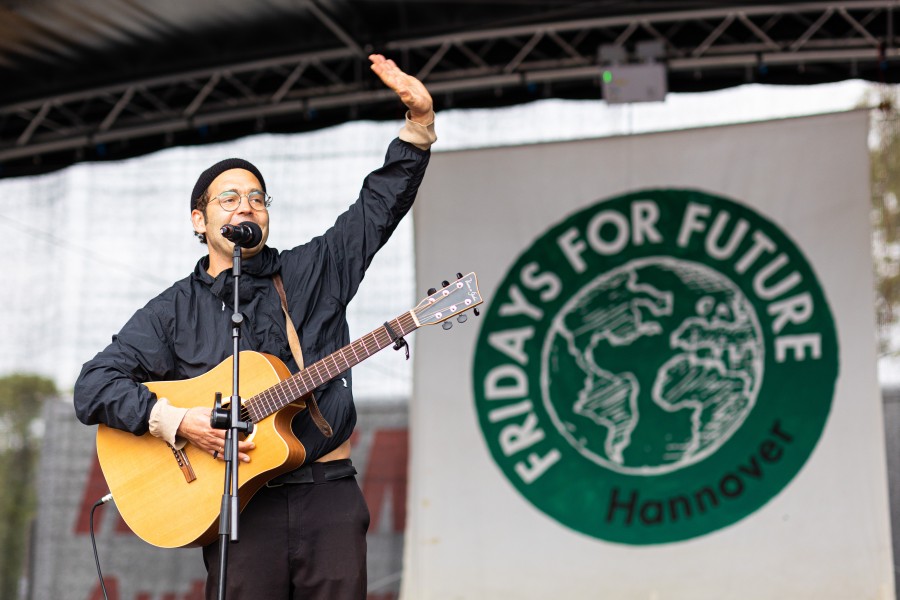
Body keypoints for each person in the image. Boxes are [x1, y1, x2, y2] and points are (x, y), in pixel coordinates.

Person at [73, 54, 435, 599]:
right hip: (235, 505)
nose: (248, 206)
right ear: (200, 220)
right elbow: (93, 387)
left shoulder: (313, 270)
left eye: (258, 198)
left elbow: (376, 208)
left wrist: (418, 127)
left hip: (326, 494)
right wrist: (175, 421)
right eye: (230, 198)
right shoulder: (173, 310)